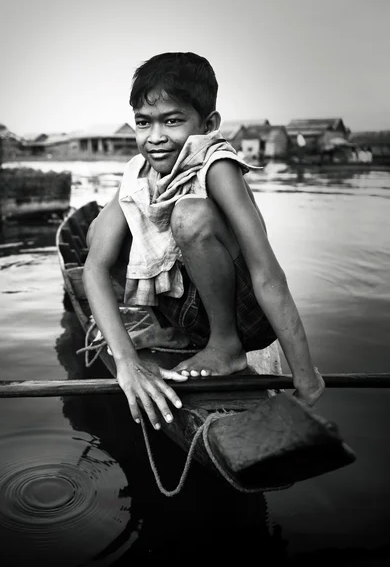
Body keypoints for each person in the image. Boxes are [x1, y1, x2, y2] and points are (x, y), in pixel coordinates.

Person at [83, 52, 325, 430]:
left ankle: (225, 347)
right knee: (99, 230)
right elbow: (95, 267)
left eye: (173, 120)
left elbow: (268, 275)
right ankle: (170, 328)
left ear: (208, 123)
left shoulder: (217, 165)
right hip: (189, 310)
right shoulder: (138, 173)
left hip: (244, 318)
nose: (156, 137)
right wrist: (126, 362)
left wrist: (304, 372)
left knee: (189, 215)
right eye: (144, 123)